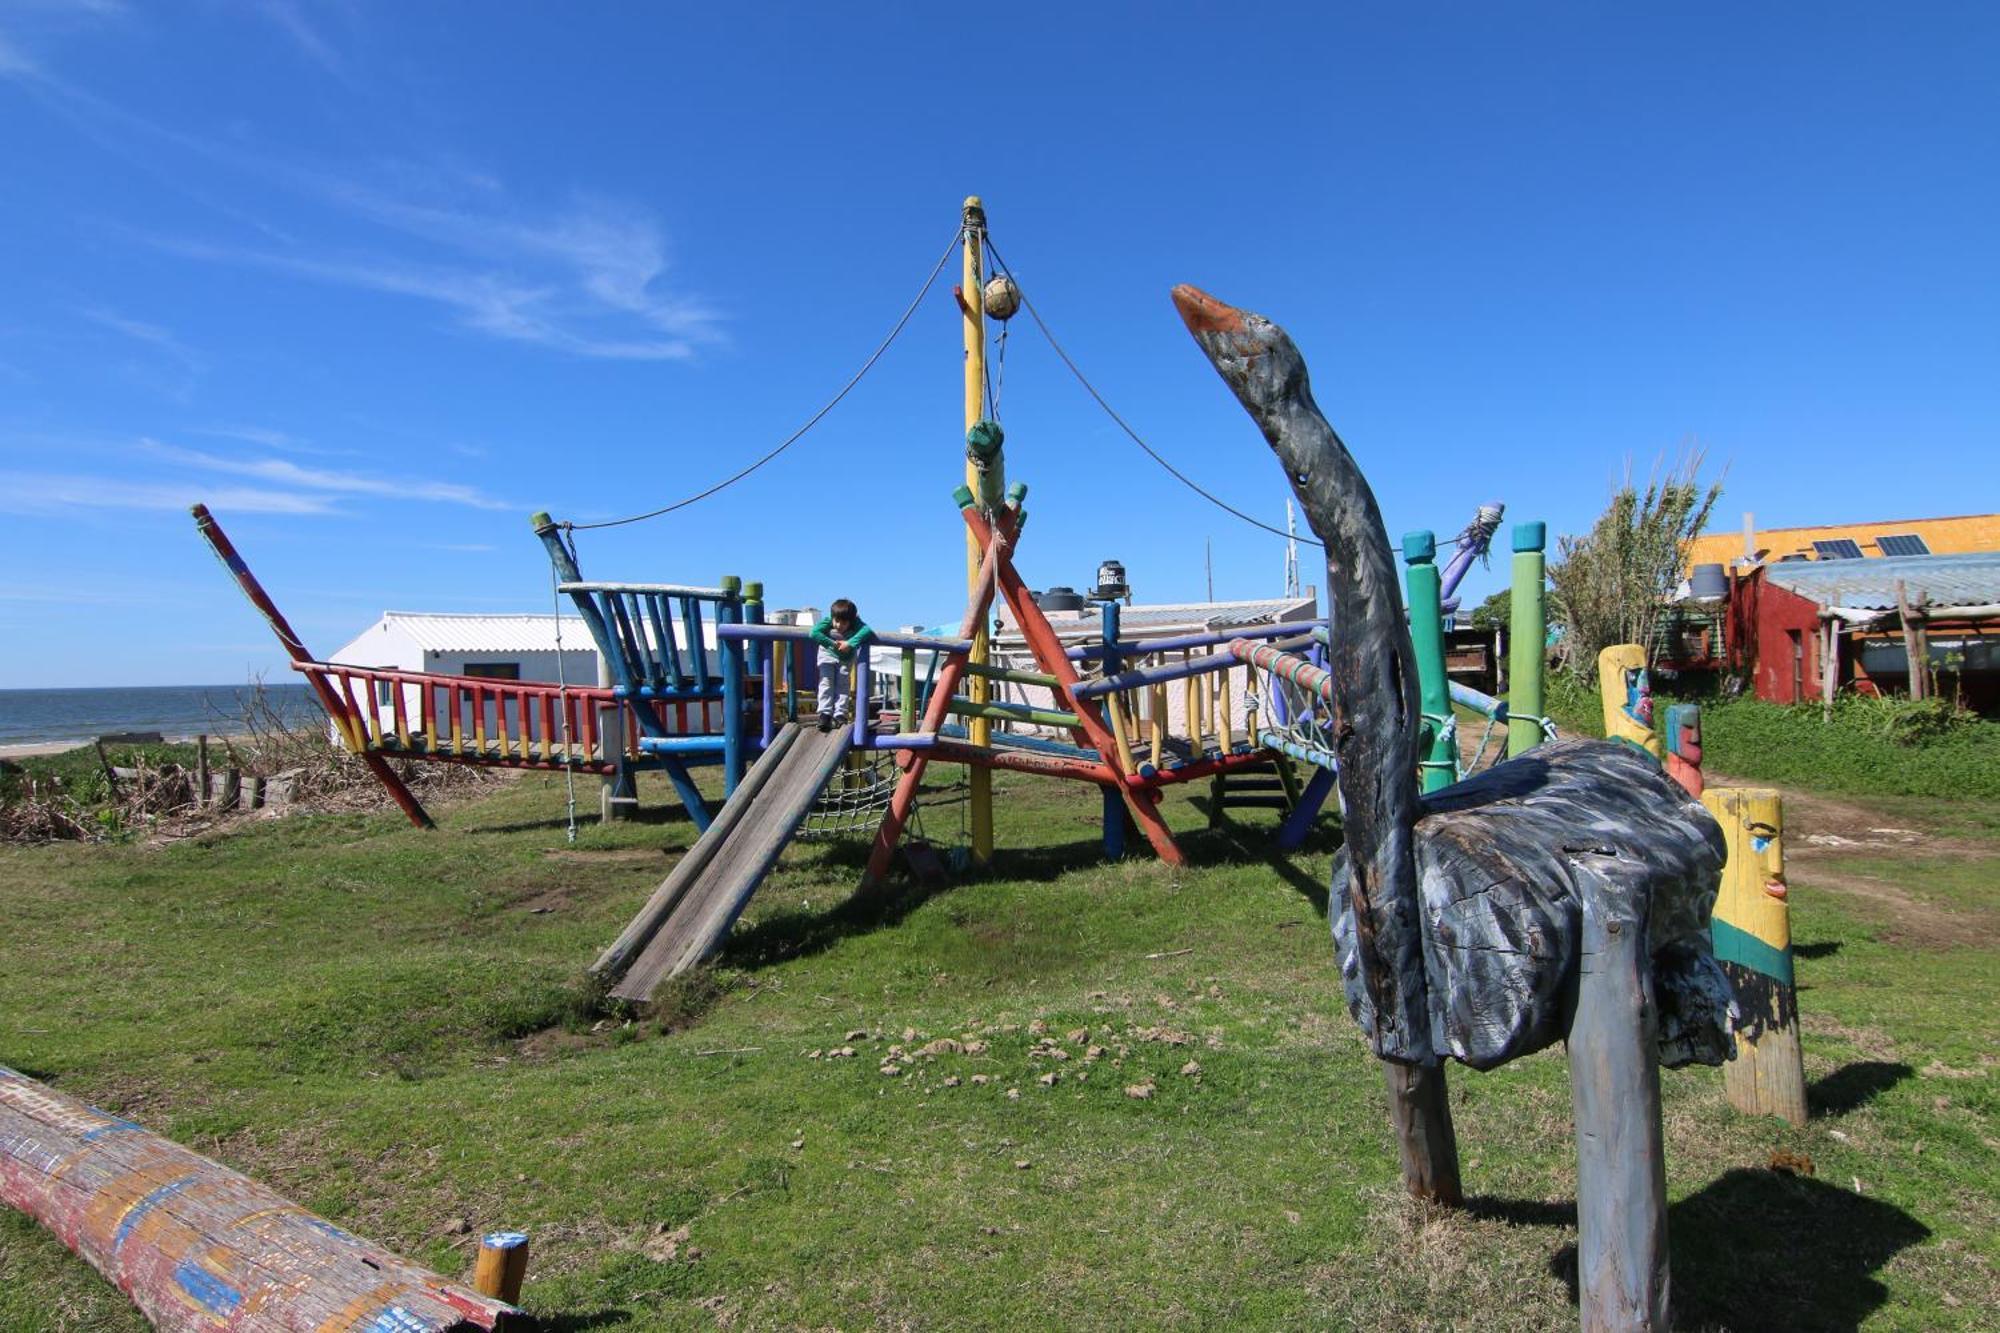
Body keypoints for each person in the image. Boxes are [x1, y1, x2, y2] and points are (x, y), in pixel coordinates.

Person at [809, 599, 876, 732]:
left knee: (843, 685)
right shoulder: (829, 619)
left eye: (844, 623)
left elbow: (867, 630)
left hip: (845, 658)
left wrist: (850, 643)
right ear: (833, 617)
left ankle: (840, 714)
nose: (839, 625)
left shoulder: (856, 622)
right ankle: (825, 713)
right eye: (837, 621)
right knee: (826, 683)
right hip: (827, 654)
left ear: (851, 621)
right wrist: (832, 644)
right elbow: (814, 633)